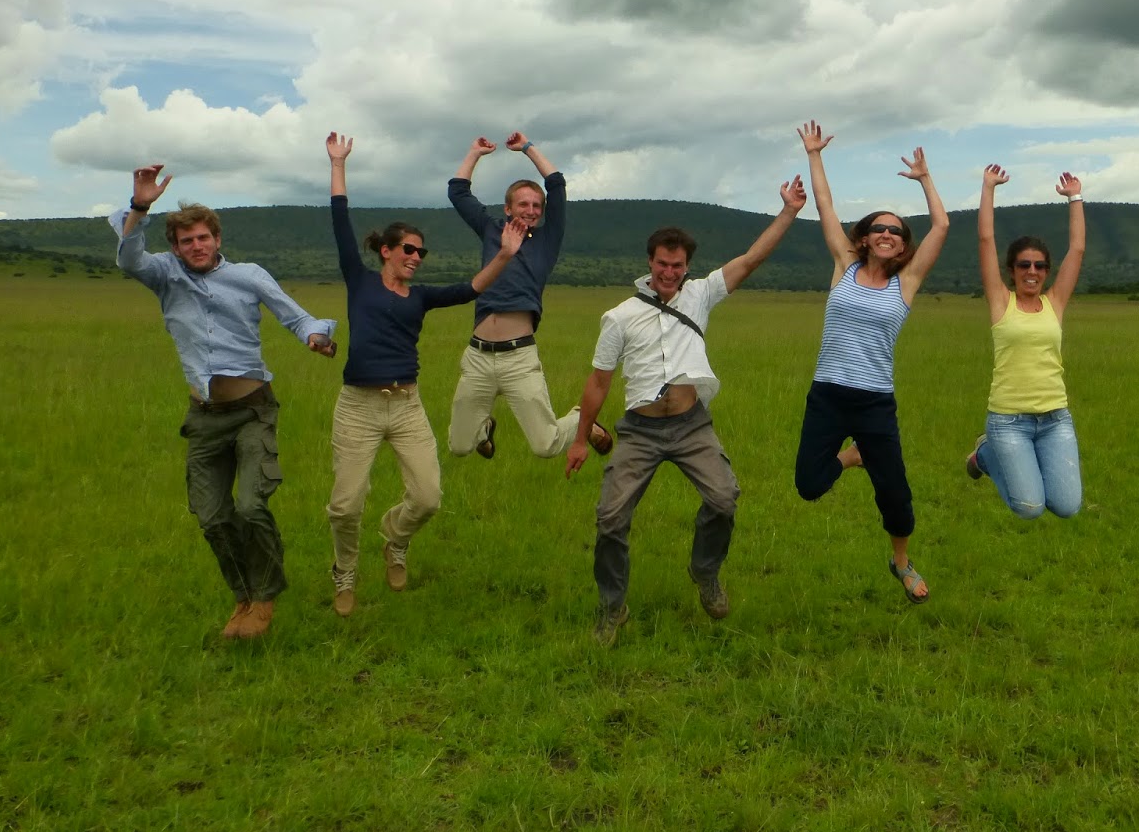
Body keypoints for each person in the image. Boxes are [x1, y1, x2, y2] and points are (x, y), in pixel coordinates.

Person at [564, 175, 808, 645]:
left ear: (687, 266)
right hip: (640, 430)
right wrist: (580, 439)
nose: (669, 272)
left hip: (691, 426)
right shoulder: (620, 317)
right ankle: (612, 608)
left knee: (724, 499)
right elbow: (598, 382)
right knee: (610, 518)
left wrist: (789, 211)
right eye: (662, 263)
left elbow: (751, 259)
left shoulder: (701, 294)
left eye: (677, 265)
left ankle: (705, 572)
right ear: (649, 262)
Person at [113, 164, 337, 640]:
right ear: (175, 247)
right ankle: (242, 596)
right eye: (186, 241)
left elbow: (296, 317)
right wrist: (140, 207)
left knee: (251, 506)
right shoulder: (164, 275)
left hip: (252, 410)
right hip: (203, 418)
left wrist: (315, 336)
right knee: (212, 517)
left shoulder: (248, 276)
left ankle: (265, 597)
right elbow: (129, 259)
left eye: (203, 237)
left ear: (217, 239)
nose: (196, 246)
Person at [325, 133, 526, 616]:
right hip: (358, 406)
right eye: (409, 249)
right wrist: (337, 164)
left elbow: (470, 289)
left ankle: (395, 540)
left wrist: (504, 254)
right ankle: (345, 571)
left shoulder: (420, 297)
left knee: (428, 498)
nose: (417, 257)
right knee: (346, 505)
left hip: (406, 405)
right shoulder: (360, 281)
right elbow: (339, 220)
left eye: (422, 252)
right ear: (387, 251)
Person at [793, 120, 948, 605]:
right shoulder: (845, 265)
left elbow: (942, 227)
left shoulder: (907, 282)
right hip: (828, 395)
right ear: (863, 237)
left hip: (875, 402)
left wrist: (925, 179)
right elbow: (825, 206)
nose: (886, 233)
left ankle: (901, 562)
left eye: (895, 231)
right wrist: (814, 154)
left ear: (903, 245)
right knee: (809, 484)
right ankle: (852, 456)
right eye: (878, 227)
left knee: (895, 496)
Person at [446, 132, 613, 463]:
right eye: (523, 204)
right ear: (508, 208)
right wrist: (475, 153)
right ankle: (484, 428)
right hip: (478, 355)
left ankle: (581, 418)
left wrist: (527, 148)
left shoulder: (547, 240)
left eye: (537, 206)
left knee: (545, 445)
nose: (531, 210)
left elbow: (556, 184)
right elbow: (458, 192)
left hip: (518, 358)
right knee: (458, 446)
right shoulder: (492, 230)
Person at [964, 163, 1086, 520]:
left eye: (1040, 266)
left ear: (1047, 271)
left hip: (1055, 419)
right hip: (1008, 421)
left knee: (1066, 506)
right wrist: (988, 188)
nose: (1032, 271)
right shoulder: (1001, 302)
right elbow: (985, 240)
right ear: (1012, 270)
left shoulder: (1055, 302)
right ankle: (984, 455)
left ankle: (994, 456)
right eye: (1024, 265)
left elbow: (1077, 249)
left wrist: (1075, 197)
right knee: (1029, 508)